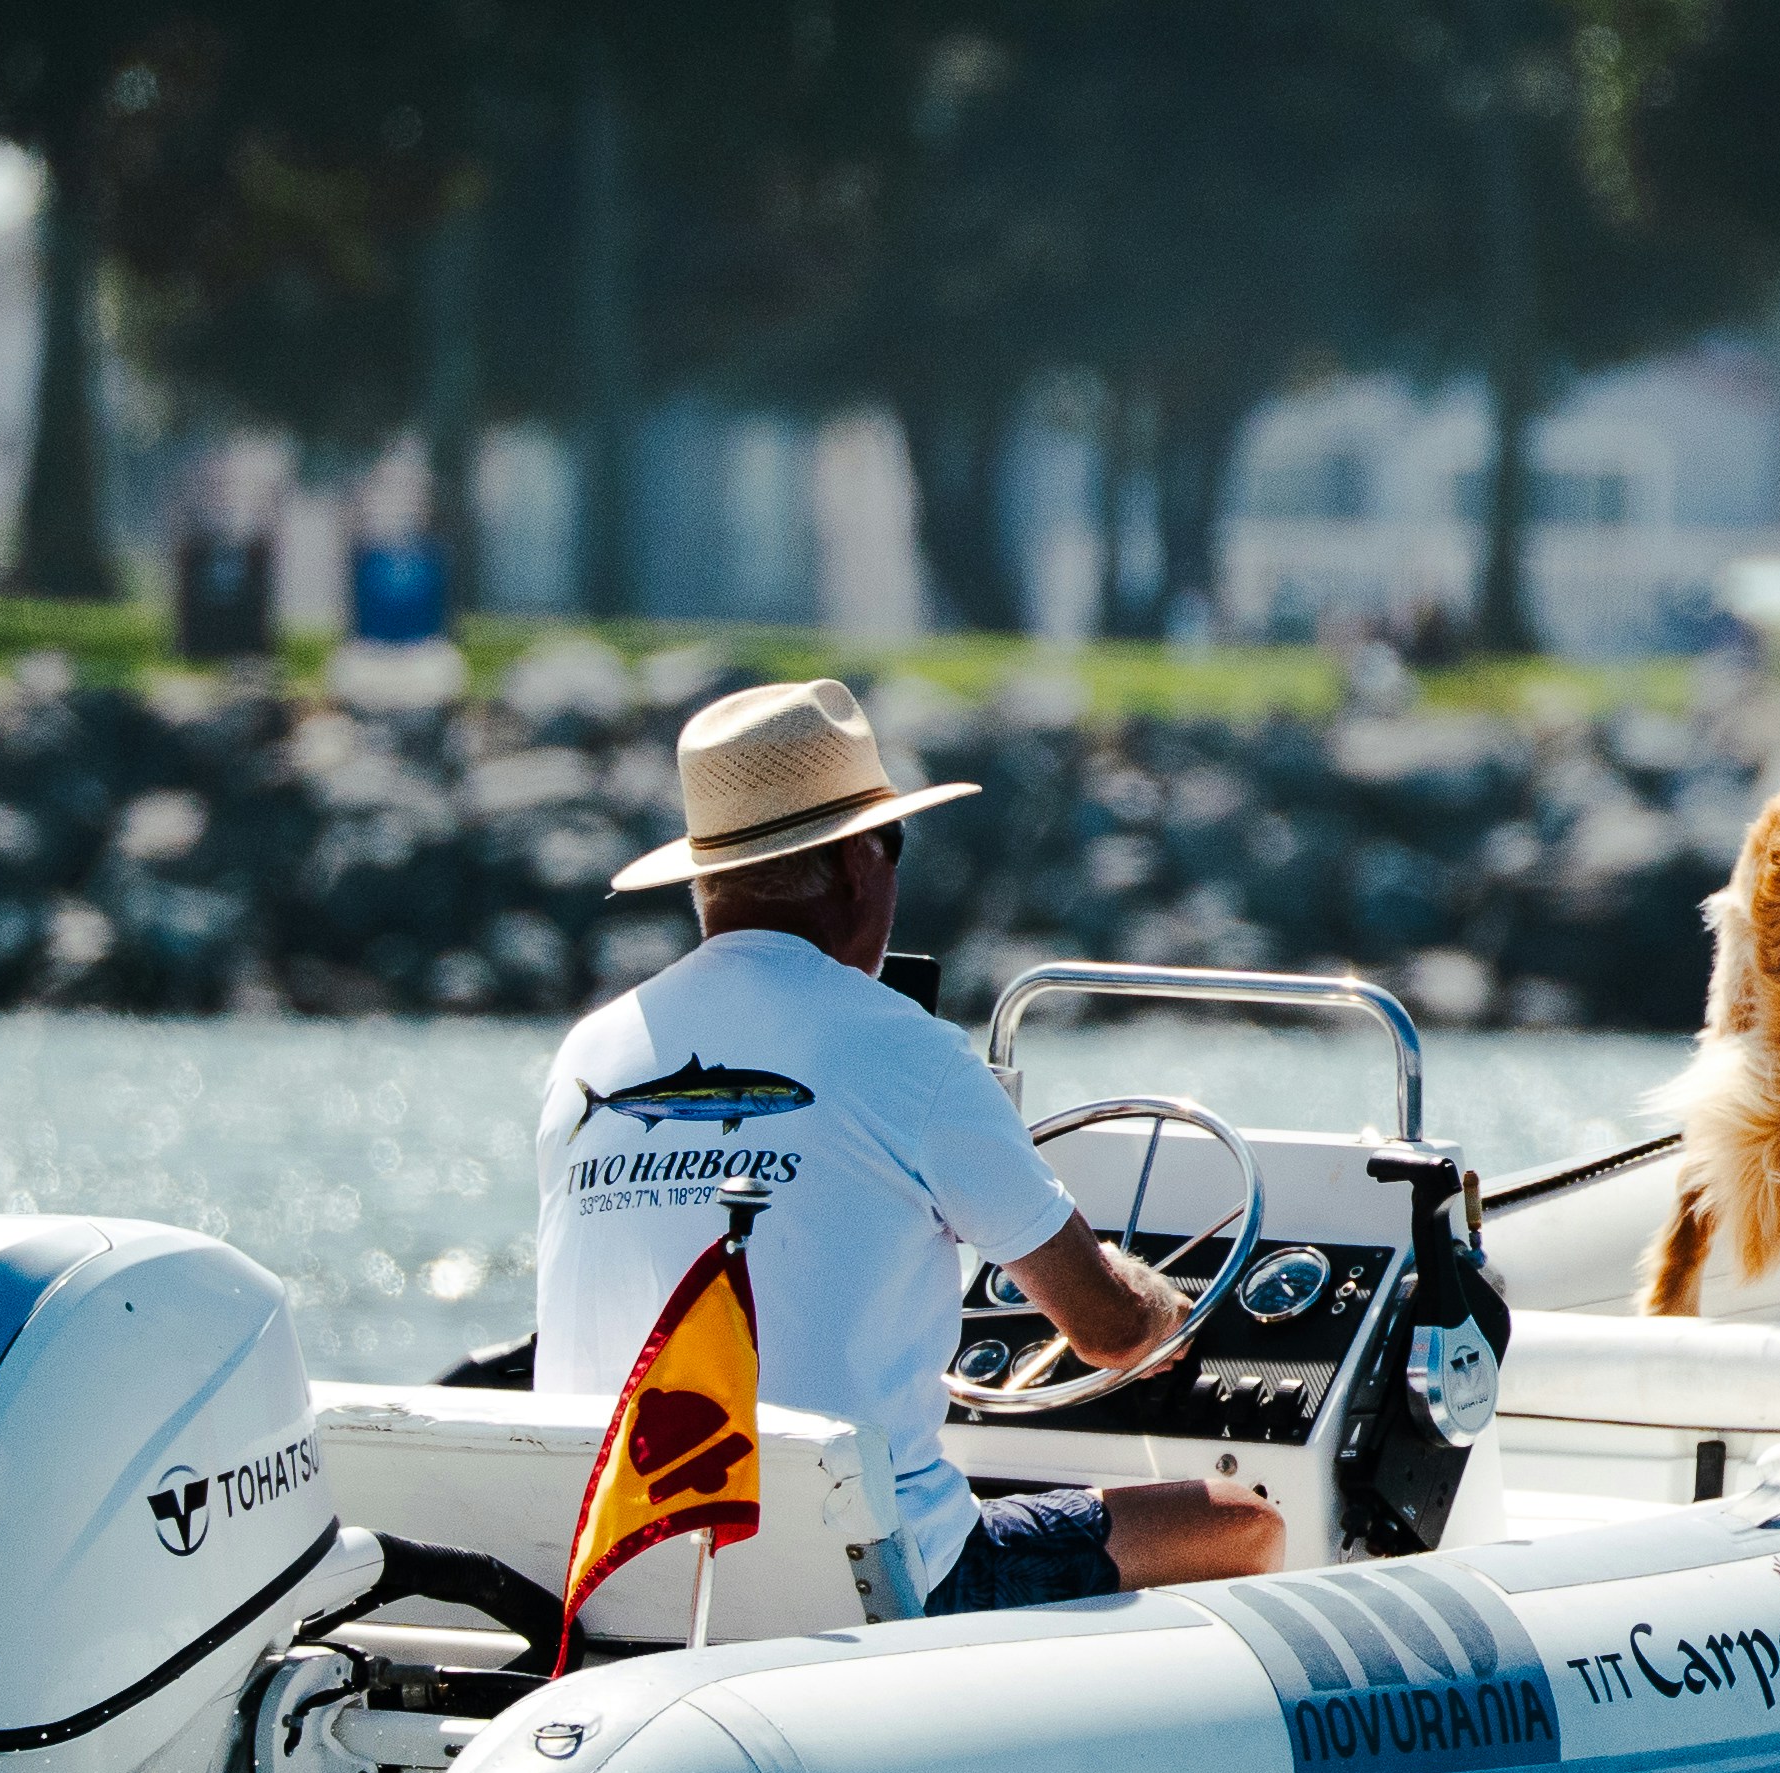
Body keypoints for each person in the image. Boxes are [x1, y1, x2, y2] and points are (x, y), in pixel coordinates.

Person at [524, 678, 1284, 1613]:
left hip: (616, 1576)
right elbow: (1107, 1330)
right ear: (859, 865)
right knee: (1243, 1520)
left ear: (706, 880)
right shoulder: (903, 1048)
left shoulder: (589, 1052)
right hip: (870, 1587)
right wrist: (1162, 1308)